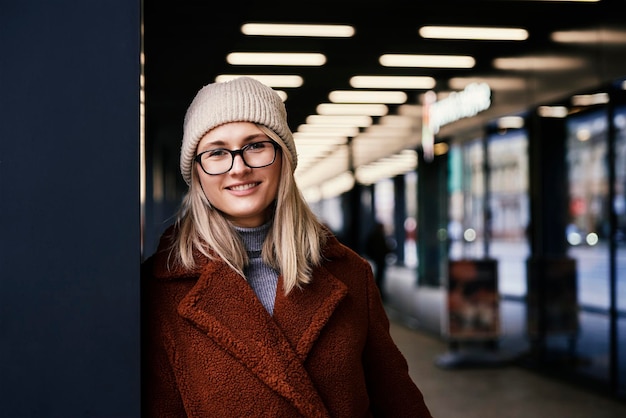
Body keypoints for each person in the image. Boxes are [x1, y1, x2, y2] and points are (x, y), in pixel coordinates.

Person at [141, 76, 432, 417]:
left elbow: (398, 403)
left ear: (284, 157)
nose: (239, 167)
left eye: (255, 146)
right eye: (217, 152)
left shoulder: (349, 274)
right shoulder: (159, 290)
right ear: (197, 170)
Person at [365, 221, 393, 298]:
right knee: (380, 276)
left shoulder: (374, 235)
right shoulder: (379, 236)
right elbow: (382, 248)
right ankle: (378, 292)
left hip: (377, 258)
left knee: (379, 275)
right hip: (379, 258)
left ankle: (378, 291)